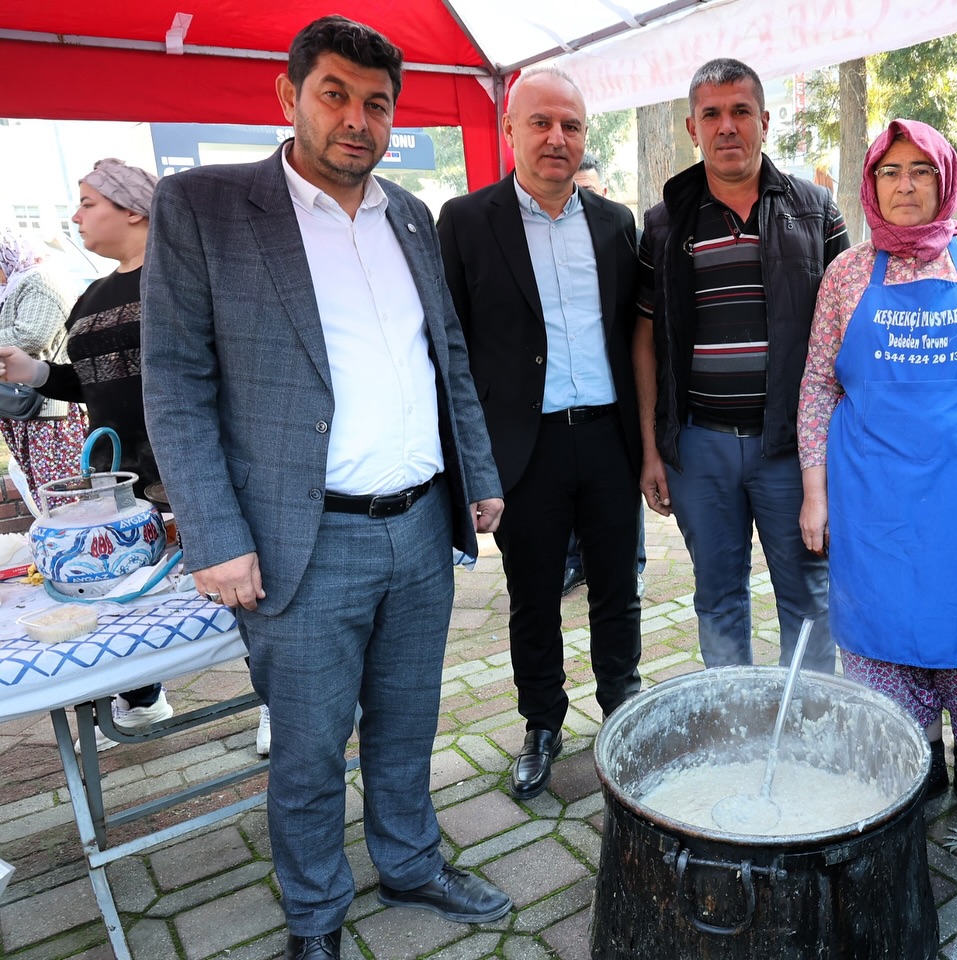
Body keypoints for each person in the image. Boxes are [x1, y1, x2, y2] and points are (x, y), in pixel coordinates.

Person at [140, 17, 510, 959]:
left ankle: (413, 863)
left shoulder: (411, 215)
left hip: (422, 528)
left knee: (408, 723)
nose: (357, 120)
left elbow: (449, 359)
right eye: (335, 94)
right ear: (289, 95)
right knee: (306, 751)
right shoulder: (206, 208)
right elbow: (175, 382)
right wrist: (213, 535)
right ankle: (315, 917)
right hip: (300, 540)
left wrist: (480, 476)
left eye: (377, 104)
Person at [797, 119, 957, 840]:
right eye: (891, 172)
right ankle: (916, 769)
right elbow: (818, 386)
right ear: (871, 183)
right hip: (875, 499)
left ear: (945, 178)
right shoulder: (847, 273)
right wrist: (815, 493)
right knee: (886, 634)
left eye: (920, 170)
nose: (906, 184)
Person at [438, 68, 643, 802]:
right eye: (541, 123)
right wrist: (468, 469)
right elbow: (449, 351)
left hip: (608, 440)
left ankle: (622, 707)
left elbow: (635, 338)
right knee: (533, 596)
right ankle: (541, 723)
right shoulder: (465, 222)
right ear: (511, 130)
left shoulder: (616, 224)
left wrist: (649, 448)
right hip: (523, 449)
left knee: (618, 589)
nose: (557, 138)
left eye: (572, 126)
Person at [635, 57, 848, 674]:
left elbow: (848, 321)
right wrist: (653, 448)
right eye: (712, 115)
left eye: (740, 112)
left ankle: (806, 730)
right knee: (718, 598)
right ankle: (736, 727)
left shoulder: (817, 213)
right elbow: (644, 337)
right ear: (691, 128)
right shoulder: (666, 223)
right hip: (700, 446)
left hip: (793, 449)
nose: (727, 127)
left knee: (809, 597)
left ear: (765, 120)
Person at [0, 160, 173, 749]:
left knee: (232, 583)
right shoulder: (91, 295)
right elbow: (91, 382)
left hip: (185, 467)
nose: (74, 216)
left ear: (133, 209)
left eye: (88, 202)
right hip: (115, 475)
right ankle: (143, 696)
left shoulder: (183, 275)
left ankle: (275, 698)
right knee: (118, 592)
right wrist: (34, 372)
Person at [561, 156, 647, 601]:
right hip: (557, 418)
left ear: (604, 192)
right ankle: (577, 564)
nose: (582, 198)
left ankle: (633, 565)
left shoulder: (622, 232)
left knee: (622, 510)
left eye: (589, 190)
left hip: (615, 410)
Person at [0, 225, 88, 496]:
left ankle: (72, 537)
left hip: (50, 406)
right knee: (43, 488)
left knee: (62, 491)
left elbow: (31, 335)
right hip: (25, 403)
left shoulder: (41, 279)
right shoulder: (14, 284)